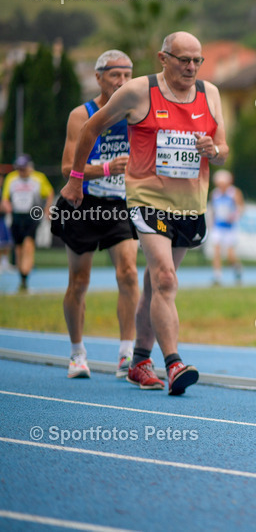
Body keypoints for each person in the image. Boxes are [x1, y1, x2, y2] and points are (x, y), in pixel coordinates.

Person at [60, 31, 229, 396]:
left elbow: (224, 149)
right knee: (165, 279)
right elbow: (91, 127)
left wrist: (212, 150)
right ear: (163, 59)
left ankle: (138, 361)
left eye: (197, 60)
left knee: (155, 286)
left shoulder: (210, 93)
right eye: (183, 59)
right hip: (146, 201)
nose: (191, 67)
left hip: (190, 205)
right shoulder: (139, 91)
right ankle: (174, 363)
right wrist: (76, 180)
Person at [51, 50, 139, 379]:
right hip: (83, 204)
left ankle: (126, 354)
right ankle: (77, 353)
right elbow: (65, 168)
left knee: (128, 274)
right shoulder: (81, 115)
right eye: (115, 75)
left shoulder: (136, 112)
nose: (123, 82)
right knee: (79, 281)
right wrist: (105, 168)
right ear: (98, 77)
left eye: (128, 75)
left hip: (121, 204)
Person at [1, 154, 54, 292]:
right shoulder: (11, 178)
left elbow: (49, 192)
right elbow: (6, 197)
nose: (21, 171)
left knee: (29, 246)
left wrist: (47, 209)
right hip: (16, 217)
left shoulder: (38, 178)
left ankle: (25, 276)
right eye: (19, 168)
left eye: (23, 168)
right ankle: (22, 278)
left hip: (31, 217)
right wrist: (6, 205)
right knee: (18, 250)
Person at [209, 169, 245, 285]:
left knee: (230, 256)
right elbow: (213, 210)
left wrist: (234, 215)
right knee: (217, 251)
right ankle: (217, 277)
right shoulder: (214, 194)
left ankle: (237, 268)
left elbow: (241, 208)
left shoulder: (234, 193)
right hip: (218, 226)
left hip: (230, 227)